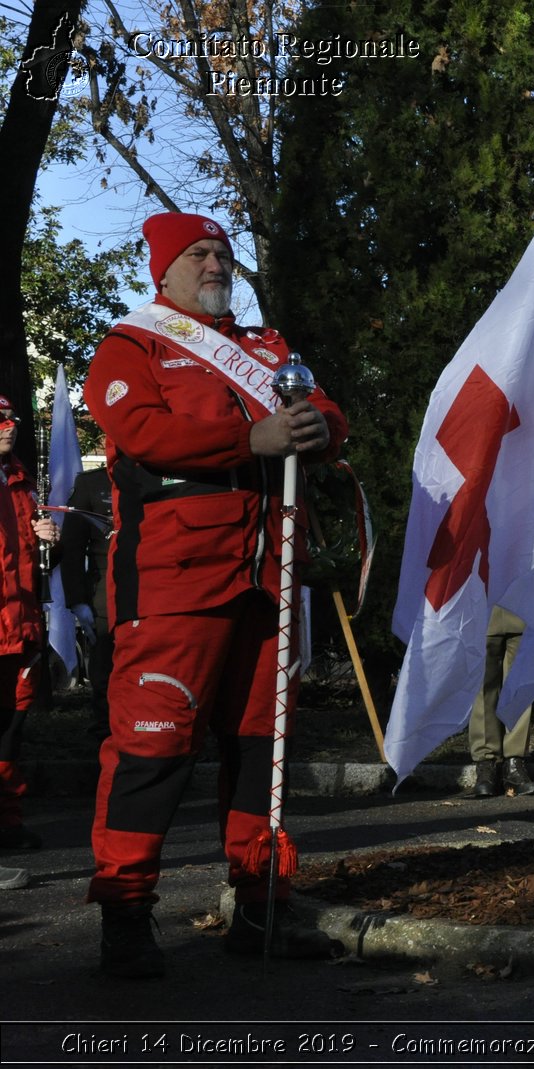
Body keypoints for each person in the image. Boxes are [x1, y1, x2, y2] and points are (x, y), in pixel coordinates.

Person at [83, 211, 349, 978]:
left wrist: (317, 430)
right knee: (151, 748)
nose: (213, 263)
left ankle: (261, 902)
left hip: (269, 575)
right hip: (175, 581)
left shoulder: (267, 349)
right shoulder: (132, 345)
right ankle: (126, 916)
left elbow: (328, 412)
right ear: (162, 273)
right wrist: (251, 441)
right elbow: (139, 430)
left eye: (221, 253)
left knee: (261, 746)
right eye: (197, 254)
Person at [0, 395, 60, 856]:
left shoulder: (22, 481)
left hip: (23, 625)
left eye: (11, 418)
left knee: (13, 729)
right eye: (0, 419)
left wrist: (50, 542)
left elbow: (35, 564)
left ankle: (9, 821)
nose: (9, 425)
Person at [58, 465, 114, 738]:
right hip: (106, 596)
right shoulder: (93, 483)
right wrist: (77, 600)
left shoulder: (162, 475)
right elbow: (72, 548)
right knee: (106, 675)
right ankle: (105, 742)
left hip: (160, 593)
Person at [468, 606, 534, 798]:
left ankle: (514, 761)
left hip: (522, 602)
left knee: (520, 683)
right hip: (483, 604)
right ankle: (487, 764)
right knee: (484, 686)